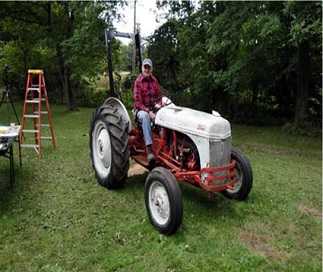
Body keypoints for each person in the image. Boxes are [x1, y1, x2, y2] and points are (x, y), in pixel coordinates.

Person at [133, 58, 161, 164]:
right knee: (145, 116)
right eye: (145, 67)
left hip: (153, 108)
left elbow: (159, 96)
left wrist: (159, 105)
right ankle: (149, 150)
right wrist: (149, 111)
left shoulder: (154, 80)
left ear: (151, 69)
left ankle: (164, 145)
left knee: (164, 115)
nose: (147, 69)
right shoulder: (138, 82)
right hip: (140, 110)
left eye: (149, 67)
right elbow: (138, 102)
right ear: (142, 68)